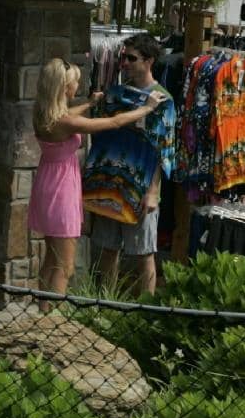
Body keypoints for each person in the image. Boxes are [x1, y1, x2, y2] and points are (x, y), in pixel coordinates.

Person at [26, 56, 157, 298]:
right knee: (64, 266)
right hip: (61, 190)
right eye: (75, 82)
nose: (78, 85)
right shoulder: (67, 121)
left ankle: (42, 311)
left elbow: (68, 115)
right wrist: (146, 108)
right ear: (65, 88)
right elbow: (114, 121)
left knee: (51, 257)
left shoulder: (43, 114)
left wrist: (88, 103)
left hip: (47, 184)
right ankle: (53, 317)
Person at [82, 33, 177, 297]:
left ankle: (144, 310)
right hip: (110, 182)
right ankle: (105, 303)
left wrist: (154, 190)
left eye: (131, 58)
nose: (124, 63)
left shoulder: (162, 101)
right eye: (123, 57)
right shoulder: (114, 93)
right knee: (107, 248)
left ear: (149, 61)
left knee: (143, 252)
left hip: (140, 185)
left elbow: (164, 149)